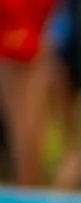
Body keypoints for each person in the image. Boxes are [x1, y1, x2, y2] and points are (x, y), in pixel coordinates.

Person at [1, 0, 53, 184]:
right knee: (30, 119)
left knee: (21, 122)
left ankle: (27, 183)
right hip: (31, 38)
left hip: (15, 41)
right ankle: (29, 183)